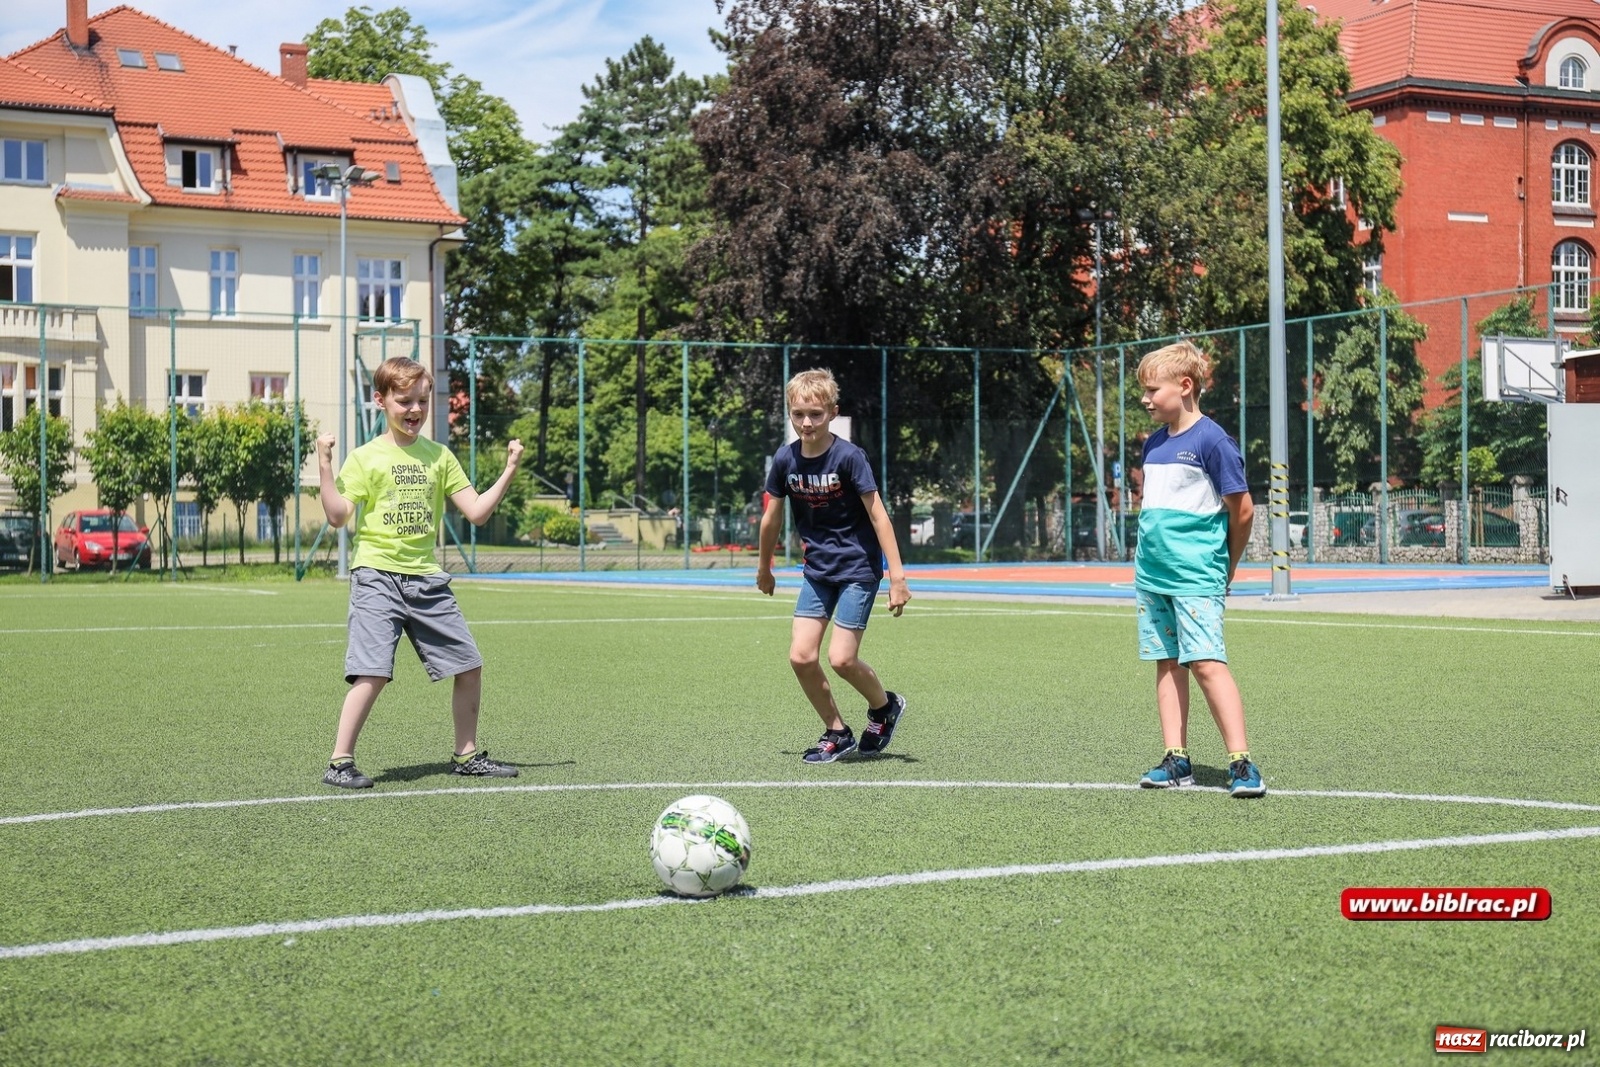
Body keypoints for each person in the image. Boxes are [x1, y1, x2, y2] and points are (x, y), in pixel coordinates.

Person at [316, 356, 524, 789]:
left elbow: (478, 513)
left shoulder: (439, 457)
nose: (414, 410)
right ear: (381, 400)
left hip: (427, 580)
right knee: (372, 672)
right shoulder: (365, 457)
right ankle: (339, 763)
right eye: (404, 400)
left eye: (422, 401)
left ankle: (466, 756)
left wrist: (508, 471)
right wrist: (324, 463)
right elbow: (338, 517)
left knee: (469, 665)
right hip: (376, 576)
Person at [756, 368, 911, 763]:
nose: (806, 422)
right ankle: (837, 732)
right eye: (798, 414)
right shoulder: (784, 459)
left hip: (858, 569)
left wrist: (898, 577)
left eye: (816, 414)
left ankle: (883, 707)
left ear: (832, 413)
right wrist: (764, 566)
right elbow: (771, 517)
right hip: (817, 572)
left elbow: (878, 515)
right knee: (801, 656)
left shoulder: (849, 457)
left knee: (841, 658)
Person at [1131, 340, 1265, 798]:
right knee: (1167, 663)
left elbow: (1242, 510)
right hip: (1152, 578)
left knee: (1207, 663)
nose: (1145, 399)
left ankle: (1241, 762)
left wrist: (1226, 564)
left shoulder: (1212, 441)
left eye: (1152, 390)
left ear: (1185, 386)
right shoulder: (1153, 443)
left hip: (1196, 576)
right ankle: (1177, 759)